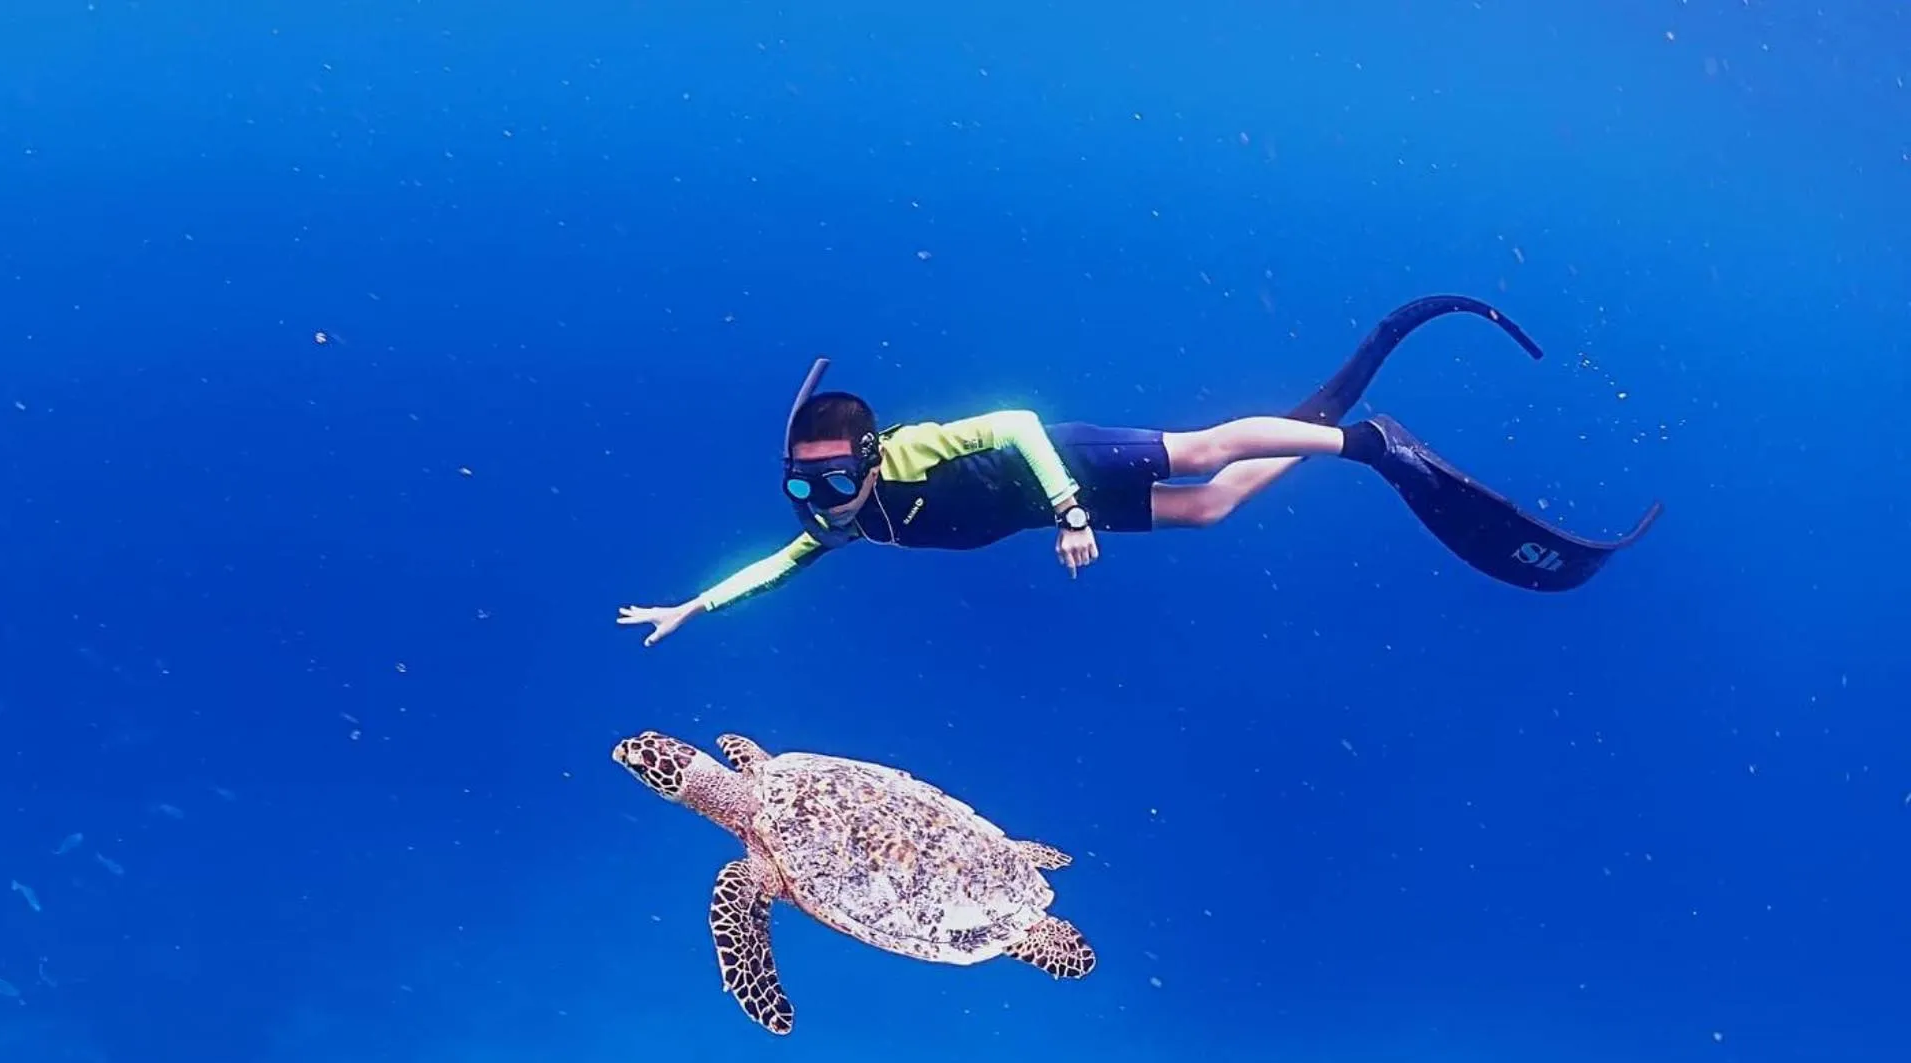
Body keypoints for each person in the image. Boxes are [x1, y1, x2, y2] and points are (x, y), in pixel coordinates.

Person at [618, 296, 1661, 646]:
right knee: (1209, 511)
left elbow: (1020, 421)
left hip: (1058, 469)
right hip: (1041, 513)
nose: (821, 499)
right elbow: (775, 565)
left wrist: (1070, 507)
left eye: (831, 477)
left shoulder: (915, 450)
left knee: (1205, 448)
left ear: (869, 451)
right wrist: (692, 606)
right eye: (803, 488)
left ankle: (1365, 447)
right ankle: (1342, 438)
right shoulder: (838, 523)